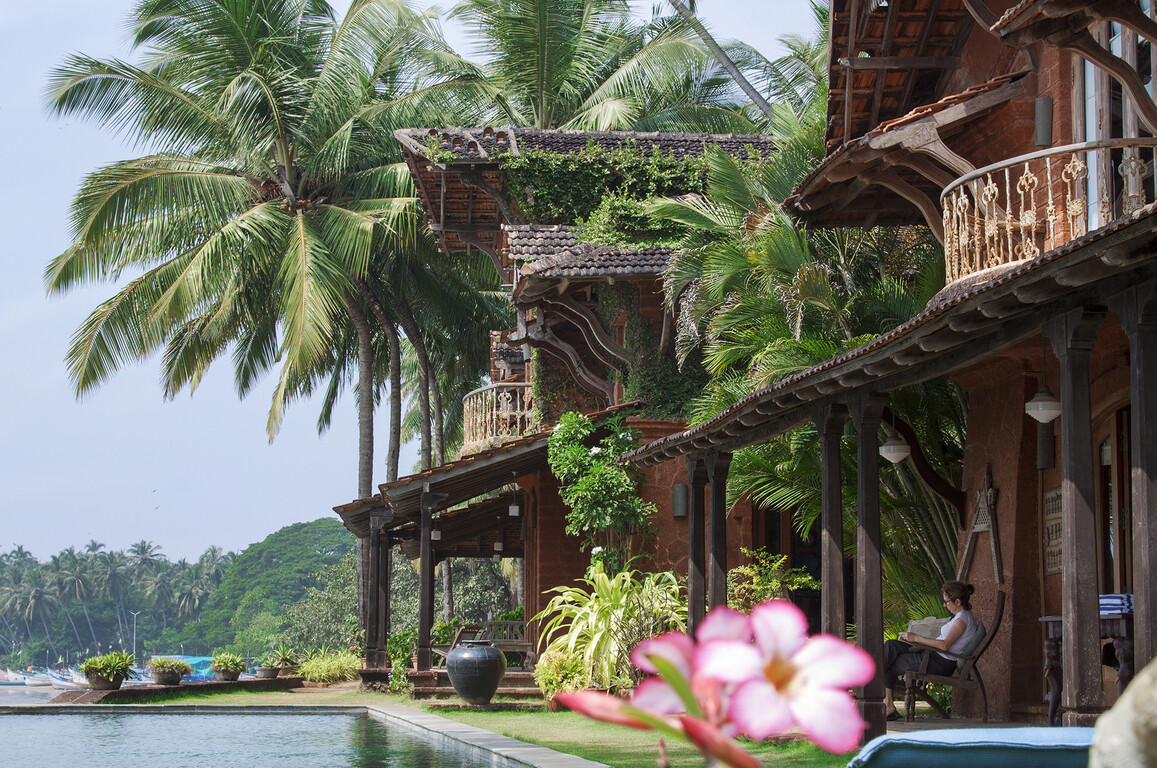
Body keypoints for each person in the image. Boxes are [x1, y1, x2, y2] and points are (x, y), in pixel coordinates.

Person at [882, 580, 980, 720]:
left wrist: (915, 638)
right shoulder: (960, 617)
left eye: (946, 602)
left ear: (957, 602)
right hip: (932, 654)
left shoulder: (963, 619)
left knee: (890, 663)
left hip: (939, 661)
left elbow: (945, 645)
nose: (944, 605)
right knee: (891, 645)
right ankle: (883, 698)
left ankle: (882, 699)